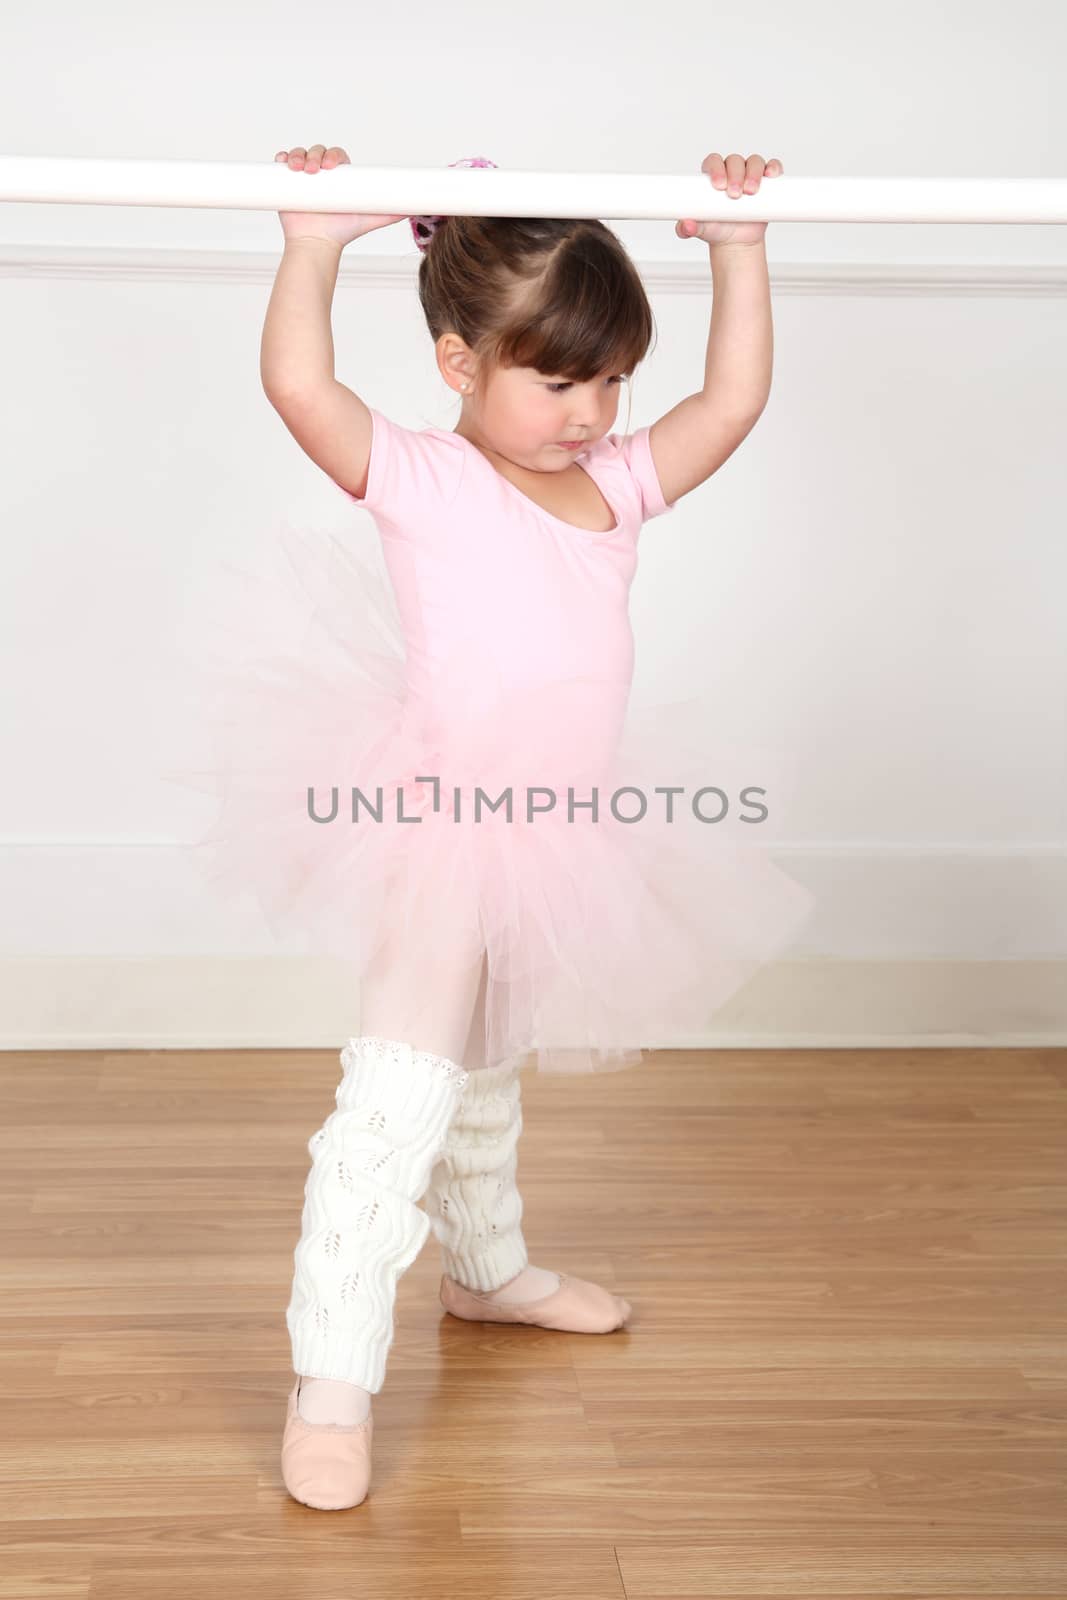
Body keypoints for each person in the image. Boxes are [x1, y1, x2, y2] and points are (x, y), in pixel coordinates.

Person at [171, 145, 814, 1509]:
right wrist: (312, 245)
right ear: (461, 363)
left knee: (487, 1064)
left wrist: (739, 247)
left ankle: (488, 1272)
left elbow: (736, 398)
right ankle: (333, 1378)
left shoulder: (617, 491)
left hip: (564, 832)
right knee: (396, 1094)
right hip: (442, 822)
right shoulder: (419, 478)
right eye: (558, 377)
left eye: (610, 378)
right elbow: (299, 383)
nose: (593, 410)